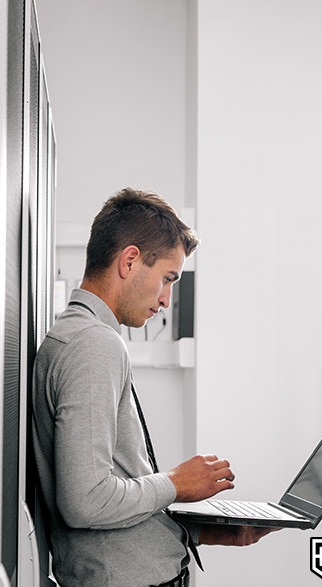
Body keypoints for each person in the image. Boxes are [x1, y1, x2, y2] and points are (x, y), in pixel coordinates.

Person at [32, 188, 276, 587]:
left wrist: (199, 531)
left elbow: (113, 487)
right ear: (129, 260)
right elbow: (86, 501)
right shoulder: (93, 345)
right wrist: (176, 483)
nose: (166, 300)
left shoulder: (79, 337)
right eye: (167, 278)